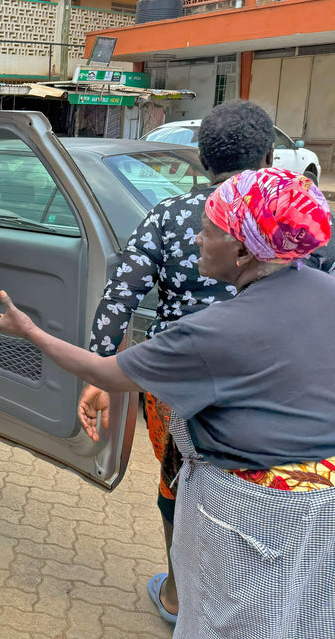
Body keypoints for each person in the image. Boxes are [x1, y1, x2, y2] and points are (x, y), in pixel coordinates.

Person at [0, 168, 335, 639]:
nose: (197, 238)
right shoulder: (324, 291)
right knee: (304, 610)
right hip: (323, 505)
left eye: (209, 231)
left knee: (225, 618)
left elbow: (103, 373)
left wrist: (27, 329)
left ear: (244, 250)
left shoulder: (214, 330)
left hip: (249, 512)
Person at [81, 100, 335, 624]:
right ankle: (287, 594)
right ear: (269, 154)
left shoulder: (173, 215)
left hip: (176, 384)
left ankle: (180, 593)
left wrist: (101, 368)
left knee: (179, 481)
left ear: (199, 159)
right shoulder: (300, 220)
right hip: (284, 382)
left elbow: (118, 296)